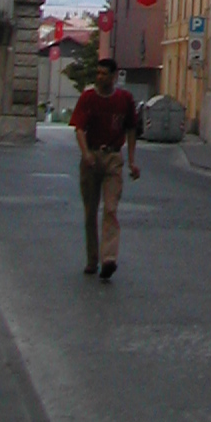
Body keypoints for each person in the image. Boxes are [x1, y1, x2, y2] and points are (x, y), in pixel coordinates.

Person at [70, 57, 139, 281]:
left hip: (112, 157)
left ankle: (108, 259)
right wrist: (86, 153)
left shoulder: (124, 99)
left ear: (114, 76)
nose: (100, 77)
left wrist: (131, 161)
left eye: (104, 74)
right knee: (90, 211)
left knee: (110, 209)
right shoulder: (88, 98)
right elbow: (79, 129)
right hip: (91, 157)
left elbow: (130, 130)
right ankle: (92, 259)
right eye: (97, 73)